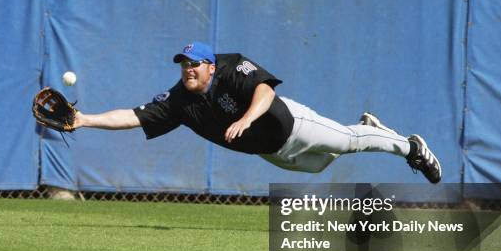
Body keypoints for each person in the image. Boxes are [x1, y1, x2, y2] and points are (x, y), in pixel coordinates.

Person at [73, 42, 442, 183]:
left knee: (348, 144)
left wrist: (246, 119)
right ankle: (365, 128)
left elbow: (265, 90)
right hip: (272, 152)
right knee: (321, 165)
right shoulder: (178, 103)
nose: (187, 69)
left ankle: (410, 148)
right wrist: (83, 120)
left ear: (210, 67)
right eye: (183, 64)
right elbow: (132, 116)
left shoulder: (231, 66)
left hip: (292, 124)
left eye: (194, 64)